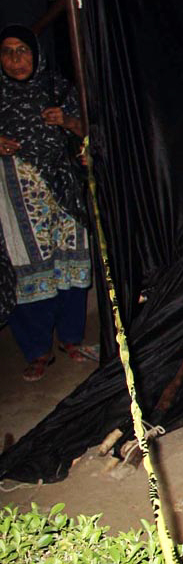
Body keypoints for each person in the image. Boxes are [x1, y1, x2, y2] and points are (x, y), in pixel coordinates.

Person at [0, 23, 94, 382]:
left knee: (69, 263)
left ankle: (71, 338)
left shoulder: (55, 87)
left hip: (63, 194)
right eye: (7, 52)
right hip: (16, 197)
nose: (15, 59)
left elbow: (91, 129)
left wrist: (68, 120)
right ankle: (37, 351)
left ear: (36, 54)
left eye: (22, 50)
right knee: (29, 268)